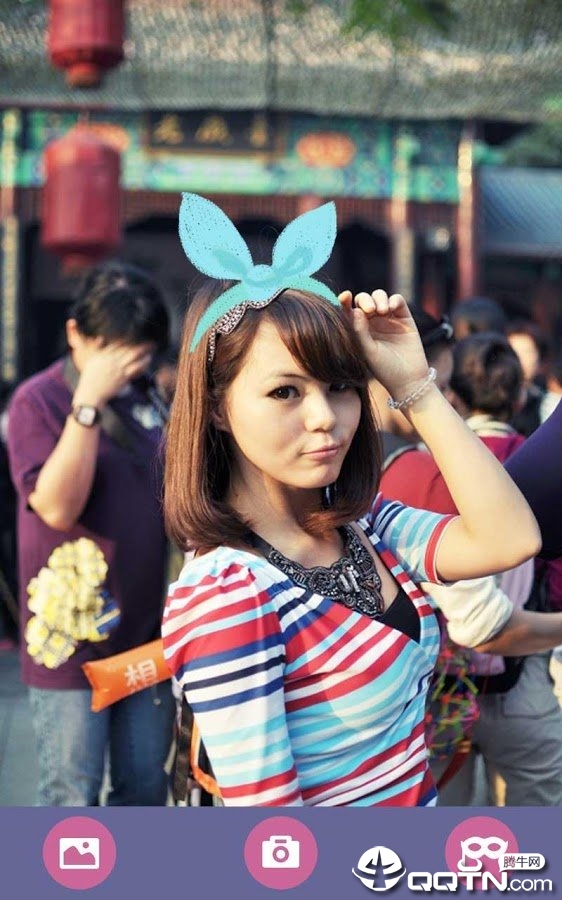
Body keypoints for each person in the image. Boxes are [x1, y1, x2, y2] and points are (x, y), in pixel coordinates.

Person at [161, 193, 540, 807]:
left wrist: (415, 387)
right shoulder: (228, 594)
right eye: (285, 392)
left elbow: (510, 539)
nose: (325, 417)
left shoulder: (368, 527)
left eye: (339, 386)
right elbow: (272, 836)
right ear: (217, 409)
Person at [6, 260, 176, 806]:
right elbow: (57, 508)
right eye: (115, 351)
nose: (128, 365)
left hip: (144, 633)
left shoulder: (150, 397)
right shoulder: (39, 400)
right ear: (76, 334)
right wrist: (88, 405)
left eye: (139, 353)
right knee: (70, 794)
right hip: (69, 637)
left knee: (145, 786)